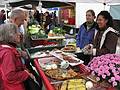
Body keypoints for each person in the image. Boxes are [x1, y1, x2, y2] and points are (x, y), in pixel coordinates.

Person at [0, 23, 35, 90]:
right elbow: (9, 76)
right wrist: (26, 73)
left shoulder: (7, 48)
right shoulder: (7, 53)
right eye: (16, 32)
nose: (19, 34)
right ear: (10, 35)